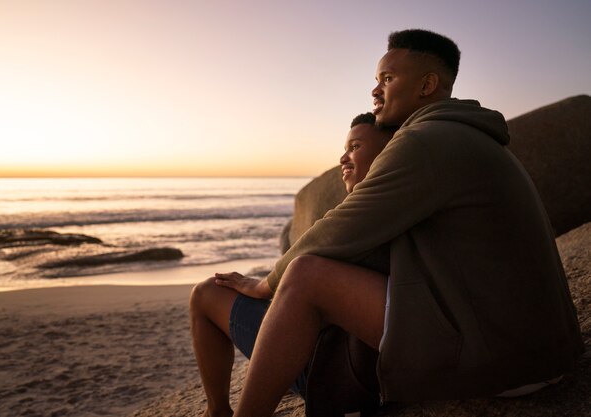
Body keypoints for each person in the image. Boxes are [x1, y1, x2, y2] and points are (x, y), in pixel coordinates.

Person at [219, 29, 584, 417]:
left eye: (388, 79)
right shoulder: (469, 135)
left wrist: (264, 283)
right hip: (533, 348)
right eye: (376, 80)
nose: (375, 91)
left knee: (306, 274)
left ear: (427, 84)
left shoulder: (426, 140)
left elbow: (341, 227)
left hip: (505, 359)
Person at [189, 112, 396, 417]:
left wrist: (262, 286)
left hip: (329, 373)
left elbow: (310, 273)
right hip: (349, 365)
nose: (343, 157)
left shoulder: (368, 216)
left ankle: (217, 411)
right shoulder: (407, 208)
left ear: (389, 154)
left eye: (355, 147)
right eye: (345, 148)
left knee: (207, 293)